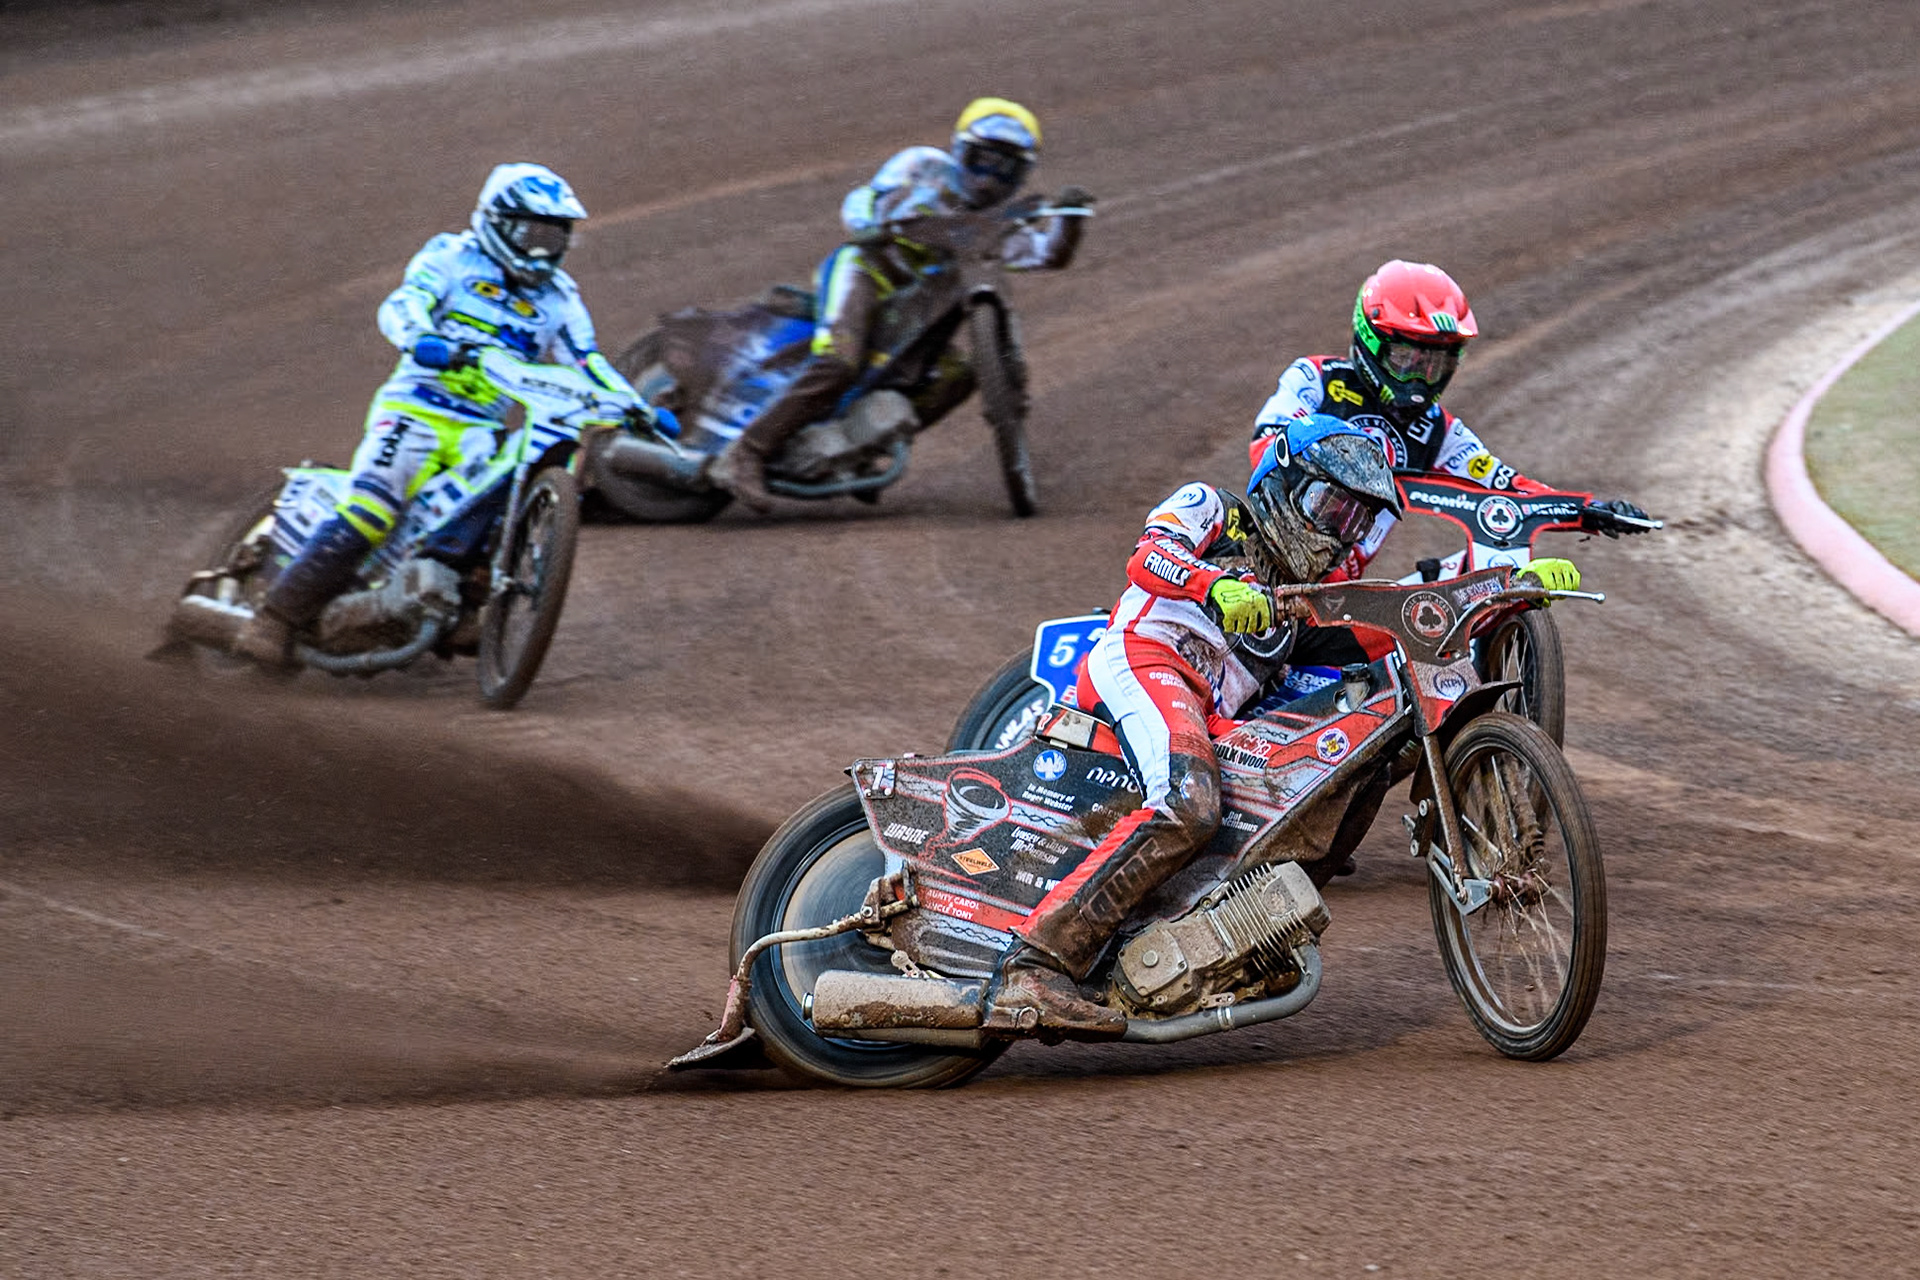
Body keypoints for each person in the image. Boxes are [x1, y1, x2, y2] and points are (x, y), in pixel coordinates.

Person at [983, 416, 1522, 1040]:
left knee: (1321, 782)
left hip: (1206, 713)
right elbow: (1148, 556)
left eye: (1355, 521)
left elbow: (1380, 627)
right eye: (1330, 506)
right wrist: (1214, 584)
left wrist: (1495, 590)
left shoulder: (1298, 602)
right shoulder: (1214, 507)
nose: (1336, 535)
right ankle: (1035, 963)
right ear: (1284, 483)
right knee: (1189, 804)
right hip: (1145, 660)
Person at [236, 163, 657, 667]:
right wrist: (423, 339)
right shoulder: (451, 257)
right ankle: (275, 619)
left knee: (506, 497)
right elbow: (403, 304)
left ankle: (467, 602)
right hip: (415, 410)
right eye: (532, 233)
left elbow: (586, 361)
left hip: (480, 428)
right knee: (371, 509)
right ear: (497, 223)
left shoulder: (559, 299)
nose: (544, 248)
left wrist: (634, 406)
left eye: (555, 235)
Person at [705, 97, 1091, 511]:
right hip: (869, 272)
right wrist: (872, 224)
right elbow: (862, 201)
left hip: (920, 315)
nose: (988, 179)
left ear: (1022, 175)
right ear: (961, 151)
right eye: (982, 161)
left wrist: (1071, 220)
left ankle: (862, 448)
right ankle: (745, 453)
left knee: (957, 373)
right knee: (839, 361)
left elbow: (1046, 253)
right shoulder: (922, 166)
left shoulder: (998, 224)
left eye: (1004, 169)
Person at [1251, 260, 1649, 582]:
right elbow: (1266, 445)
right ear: (1371, 340)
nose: (1420, 379)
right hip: (1270, 559)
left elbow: (1507, 485)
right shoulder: (1317, 379)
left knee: (1487, 578)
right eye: (1407, 360)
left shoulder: (1438, 431)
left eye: (1435, 363)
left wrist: (1587, 510)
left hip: (1344, 590)